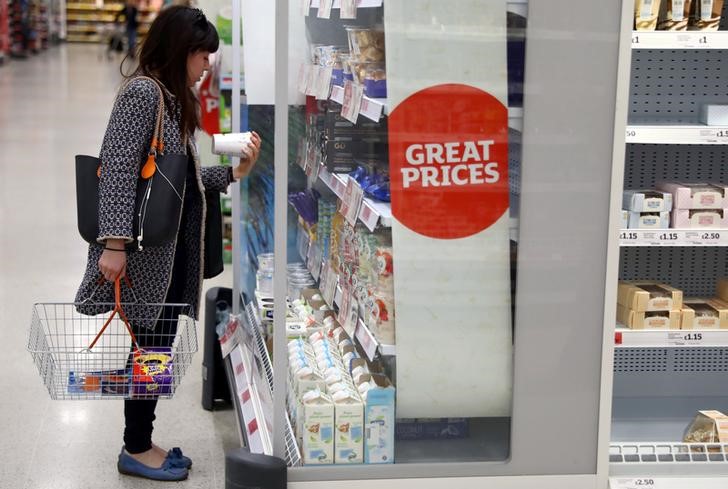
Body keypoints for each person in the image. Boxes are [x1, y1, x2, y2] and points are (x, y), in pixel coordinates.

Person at [75, 6, 261, 482]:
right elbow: (116, 170)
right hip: (143, 254)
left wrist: (234, 174)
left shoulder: (171, 101)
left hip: (169, 253)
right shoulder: (142, 95)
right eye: (202, 55)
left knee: (154, 348)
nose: (207, 66)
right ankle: (135, 447)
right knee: (150, 348)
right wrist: (113, 246)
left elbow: (181, 181)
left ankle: (143, 439)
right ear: (181, 51)